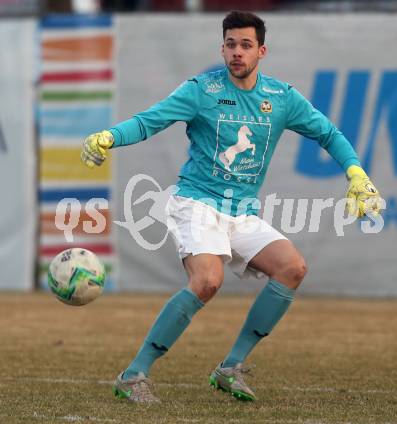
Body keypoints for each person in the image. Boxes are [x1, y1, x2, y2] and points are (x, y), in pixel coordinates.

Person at [81, 10, 381, 403]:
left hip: (241, 212)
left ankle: (230, 368)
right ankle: (134, 374)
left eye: (245, 45)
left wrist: (356, 174)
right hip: (196, 203)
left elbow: (328, 133)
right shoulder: (200, 91)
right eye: (230, 44)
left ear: (262, 50)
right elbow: (148, 122)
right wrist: (109, 137)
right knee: (207, 281)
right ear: (221, 48)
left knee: (293, 268)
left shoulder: (281, 98)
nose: (237, 52)